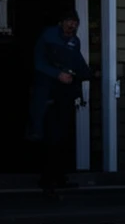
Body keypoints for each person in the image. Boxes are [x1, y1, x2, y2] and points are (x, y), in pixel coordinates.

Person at [27, 10, 98, 196]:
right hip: (47, 93)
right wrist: (58, 74)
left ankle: (59, 177)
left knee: (63, 135)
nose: (72, 25)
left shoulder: (74, 42)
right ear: (61, 22)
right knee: (48, 134)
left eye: (75, 22)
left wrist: (91, 74)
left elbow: (78, 63)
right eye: (69, 21)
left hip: (65, 95)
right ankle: (46, 179)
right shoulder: (48, 37)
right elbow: (39, 63)